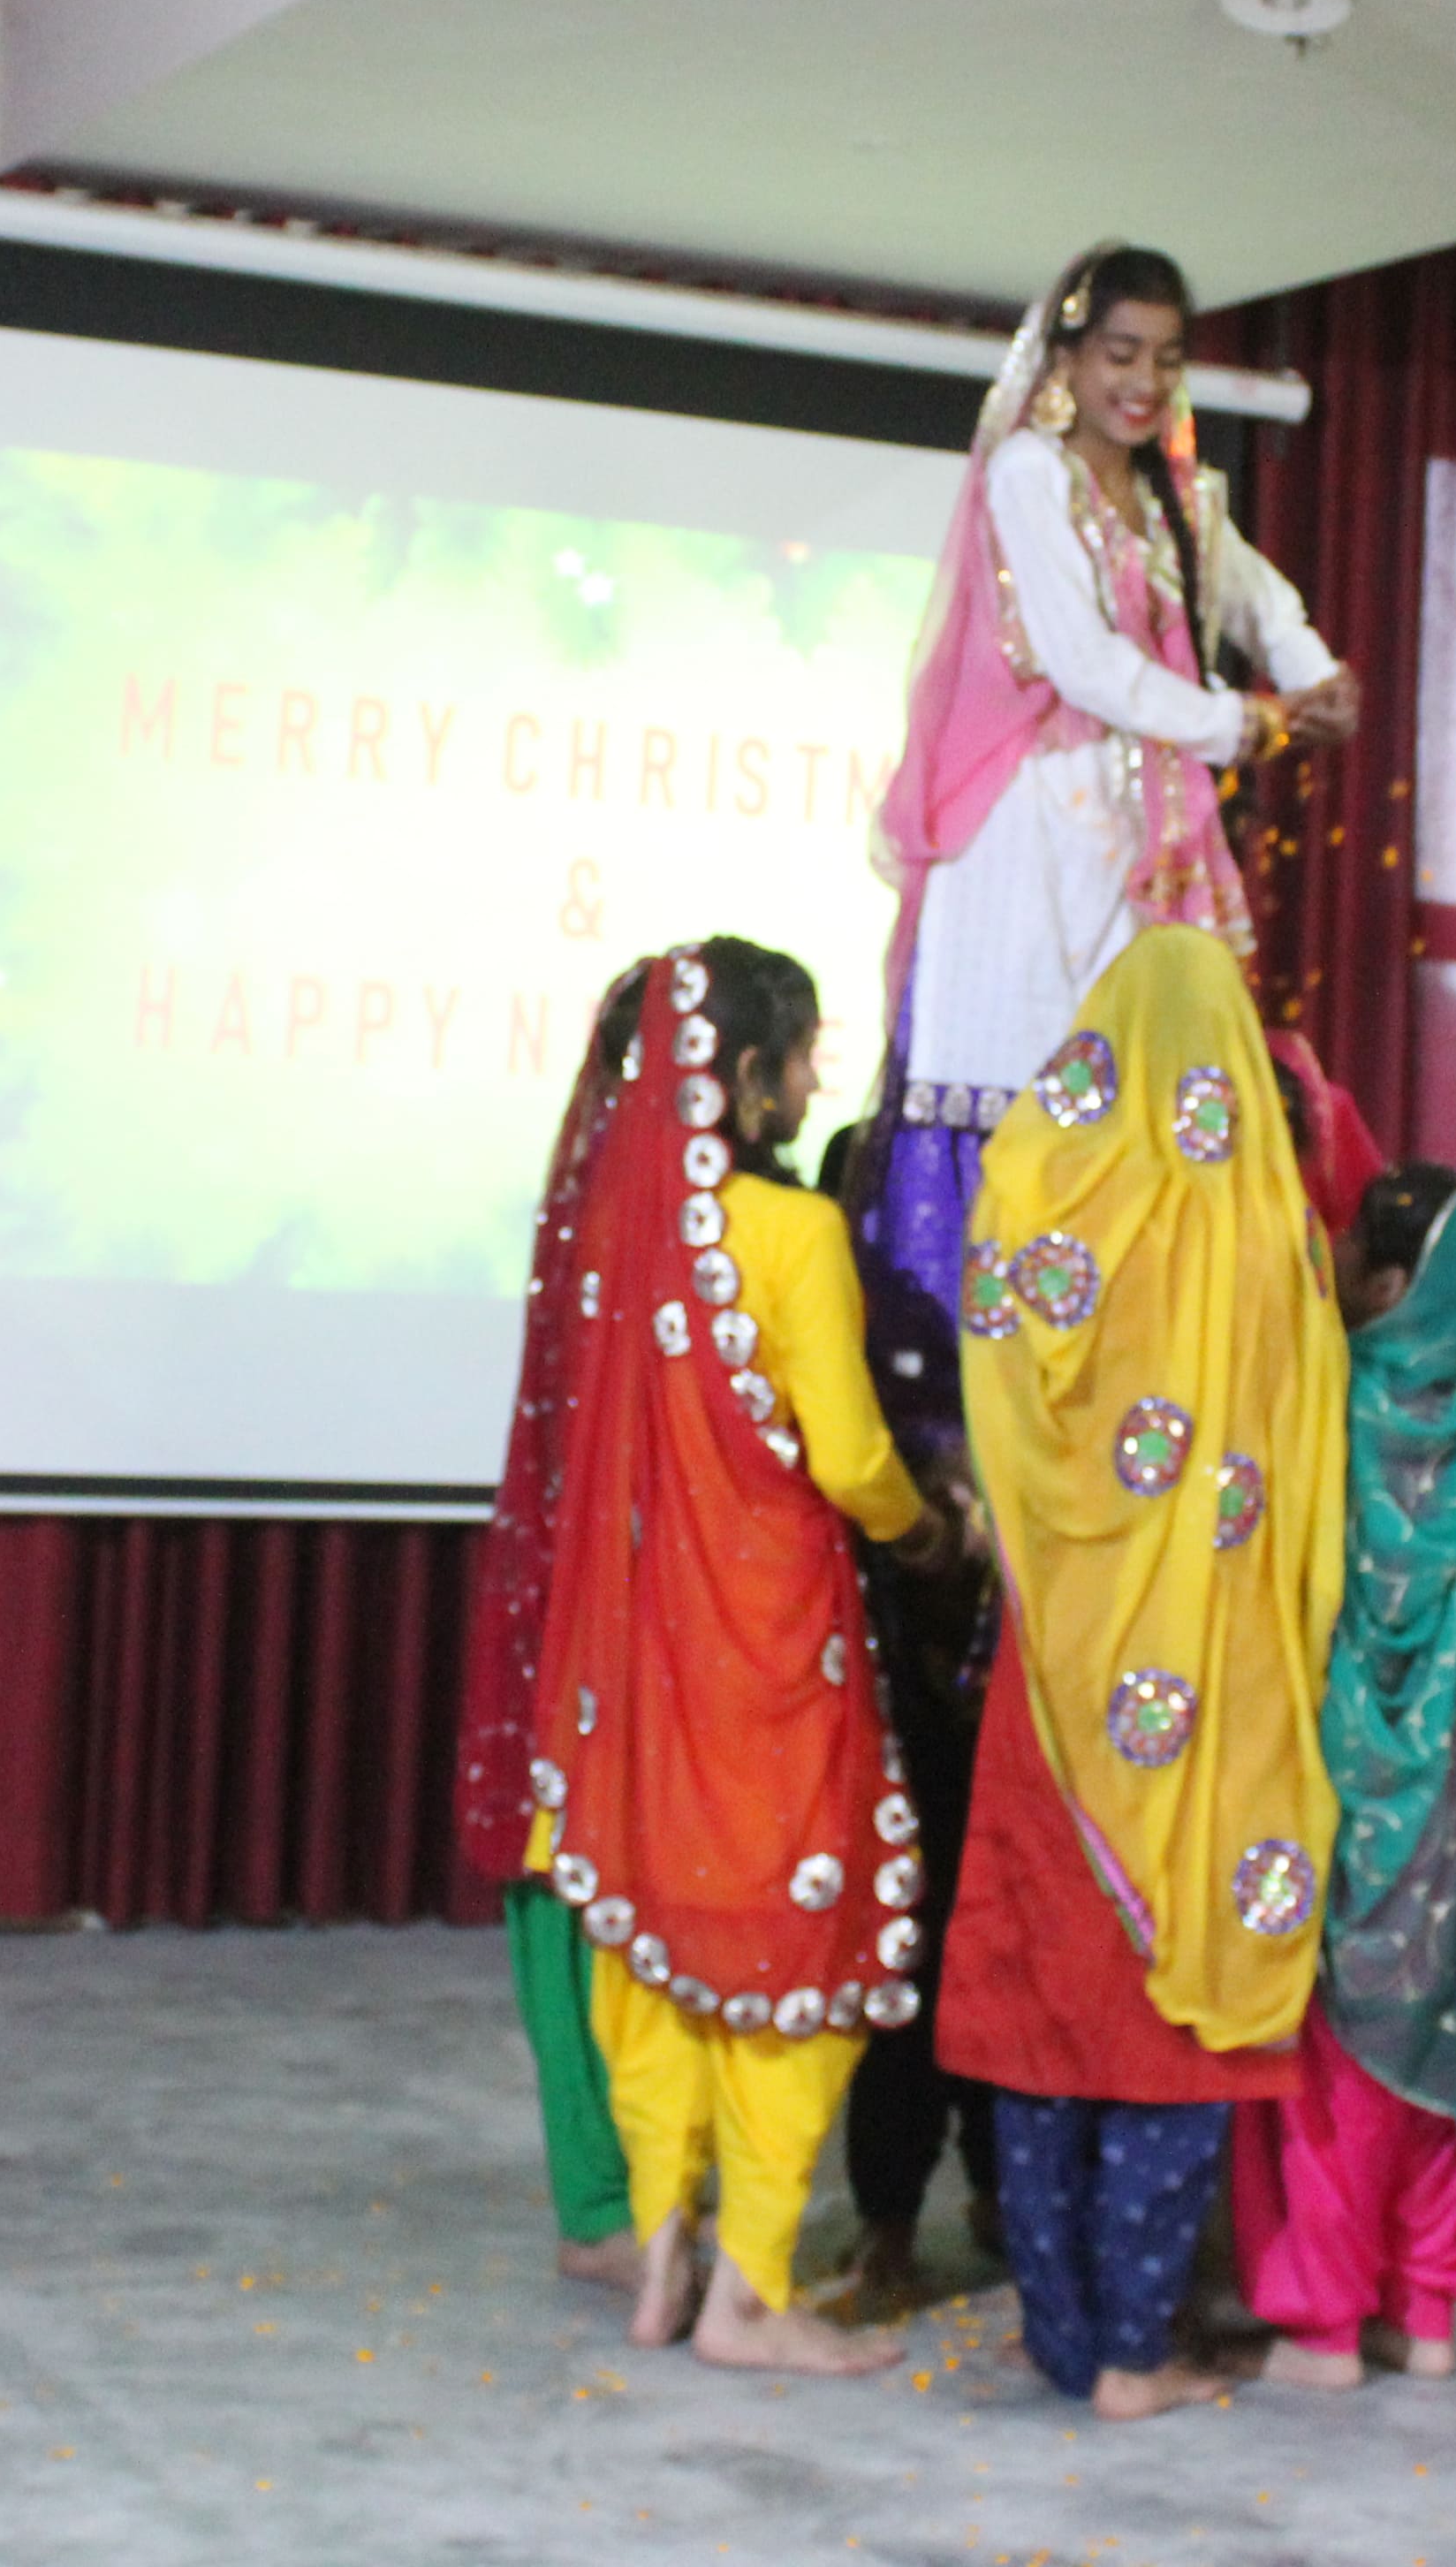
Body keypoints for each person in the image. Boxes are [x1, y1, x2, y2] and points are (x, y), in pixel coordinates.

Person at [515, 938, 939, 2374]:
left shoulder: (606, 1233)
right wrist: (932, 1531)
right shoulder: (795, 1235)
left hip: (637, 1655)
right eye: (804, 1056)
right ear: (748, 1077)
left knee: (653, 1934)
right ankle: (751, 2287)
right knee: (791, 1937)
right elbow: (850, 1461)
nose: (817, 1082)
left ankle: (662, 2250)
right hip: (767, 1647)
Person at [944, 922, 1348, 2418]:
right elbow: (1312, 1461)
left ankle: (1063, 2335)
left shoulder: (1049, 1195)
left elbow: (996, 1363)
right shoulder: (1266, 1228)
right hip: (1216, 1672)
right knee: (1182, 2006)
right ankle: (1133, 2350)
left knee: (1046, 2002)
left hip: (1062, 1677)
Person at [863, 241, 1357, 1324]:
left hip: (1143, 833)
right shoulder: (1030, 476)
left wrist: (1319, 680)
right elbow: (1082, 662)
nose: (1143, 382)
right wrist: (1243, 722)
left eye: (1166, 360)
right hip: (1032, 828)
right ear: (1068, 359)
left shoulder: (1182, 495)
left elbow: (1259, 600)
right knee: (1015, 1085)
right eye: (1121, 354)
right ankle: (974, 1361)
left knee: (1134, 1103)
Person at [1234, 1163, 1456, 2389]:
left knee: (1343, 2043)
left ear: (1390, 1286)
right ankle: (1425, 2311)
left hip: (1352, 1780)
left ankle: (1326, 2324)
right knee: (1447, 2022)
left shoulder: (1336, 1396)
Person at [455, 958, 653, 2293]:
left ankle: (620, 2194)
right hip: (608, 1598)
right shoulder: (642, 1214)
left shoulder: (608, 1193)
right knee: (569, 1865)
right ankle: (604, 2200)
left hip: (616, 1595)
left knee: (580, 1862)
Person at [821, 1125, 1007, 2318]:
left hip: (1002, 1642)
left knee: (995, 1925)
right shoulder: (829, 1285)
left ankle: (999, 2188)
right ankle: (887, 2213)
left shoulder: (1021, 1263)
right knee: (903, 1937)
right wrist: (929, 1516)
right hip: (879, 1645)